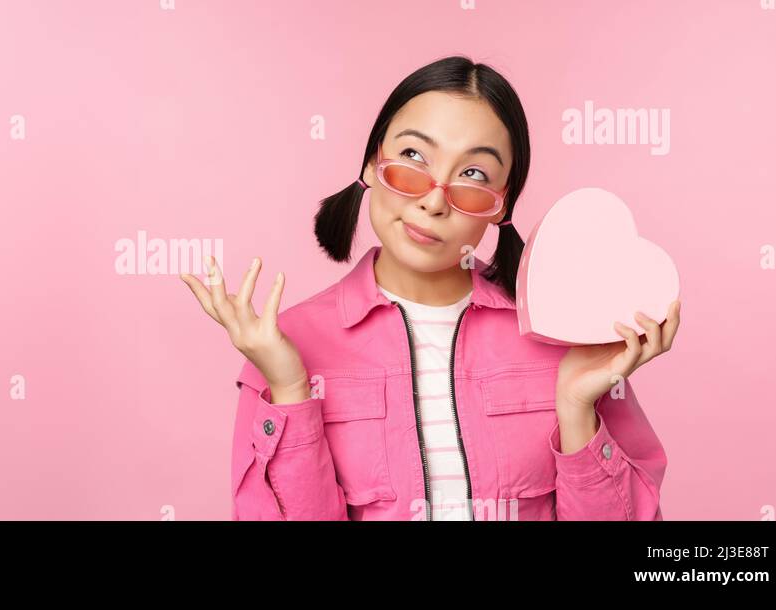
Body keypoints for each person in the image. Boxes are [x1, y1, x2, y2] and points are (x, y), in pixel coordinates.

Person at [180, 55, 679, 521]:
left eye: (472, 173)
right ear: (371, 164)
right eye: (413, 155)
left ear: (502, 205)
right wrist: (290, 388)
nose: (434, 201)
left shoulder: (561, 330)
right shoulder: (283, 345)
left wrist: (576, 410)